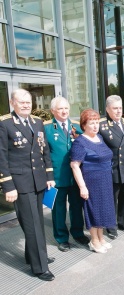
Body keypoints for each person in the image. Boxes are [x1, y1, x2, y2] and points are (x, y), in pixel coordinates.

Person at [0, 88, 55, 281]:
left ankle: (32, 255)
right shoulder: (5, 124)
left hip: (39, 180)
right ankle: (40, 267)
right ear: (12, 102)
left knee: (36, 221)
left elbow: (44, 150)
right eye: (22, 102)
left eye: (28, 102)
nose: (26, 105)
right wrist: (8, 186)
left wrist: (49, 175)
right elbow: (2, 158)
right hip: (20, 183)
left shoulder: (37, 122)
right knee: (31, 224)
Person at [44, 96, 89, 252]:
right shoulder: (46, 128)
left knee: (77, 207)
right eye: (60, 108)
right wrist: (47, 177)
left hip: (76, 177)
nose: (64, 111)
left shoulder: (76, 126)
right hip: (56, 177)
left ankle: (78, 233)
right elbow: (43, 154)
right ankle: (62, 238)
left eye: (66, 108)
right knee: (58, 209)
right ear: (53, 111)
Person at [70, 109, 116, 253]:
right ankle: (94, 240)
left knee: (103, 210)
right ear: (84, 125)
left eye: (97, 123)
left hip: (105, 180)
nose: (95, 126)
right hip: (91, 181)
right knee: (93, 211)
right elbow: (74, 165)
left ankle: (101, 238)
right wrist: (82, 187)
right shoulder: (80, 142)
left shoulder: (99, 138)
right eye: (92, 123)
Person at [99, 95, 124, 239]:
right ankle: (111, 225)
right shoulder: (101, 125)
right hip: (111, 168)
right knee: (111, 199)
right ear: (107, 109)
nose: (118, 111)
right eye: (115, 108)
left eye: (120, 108)